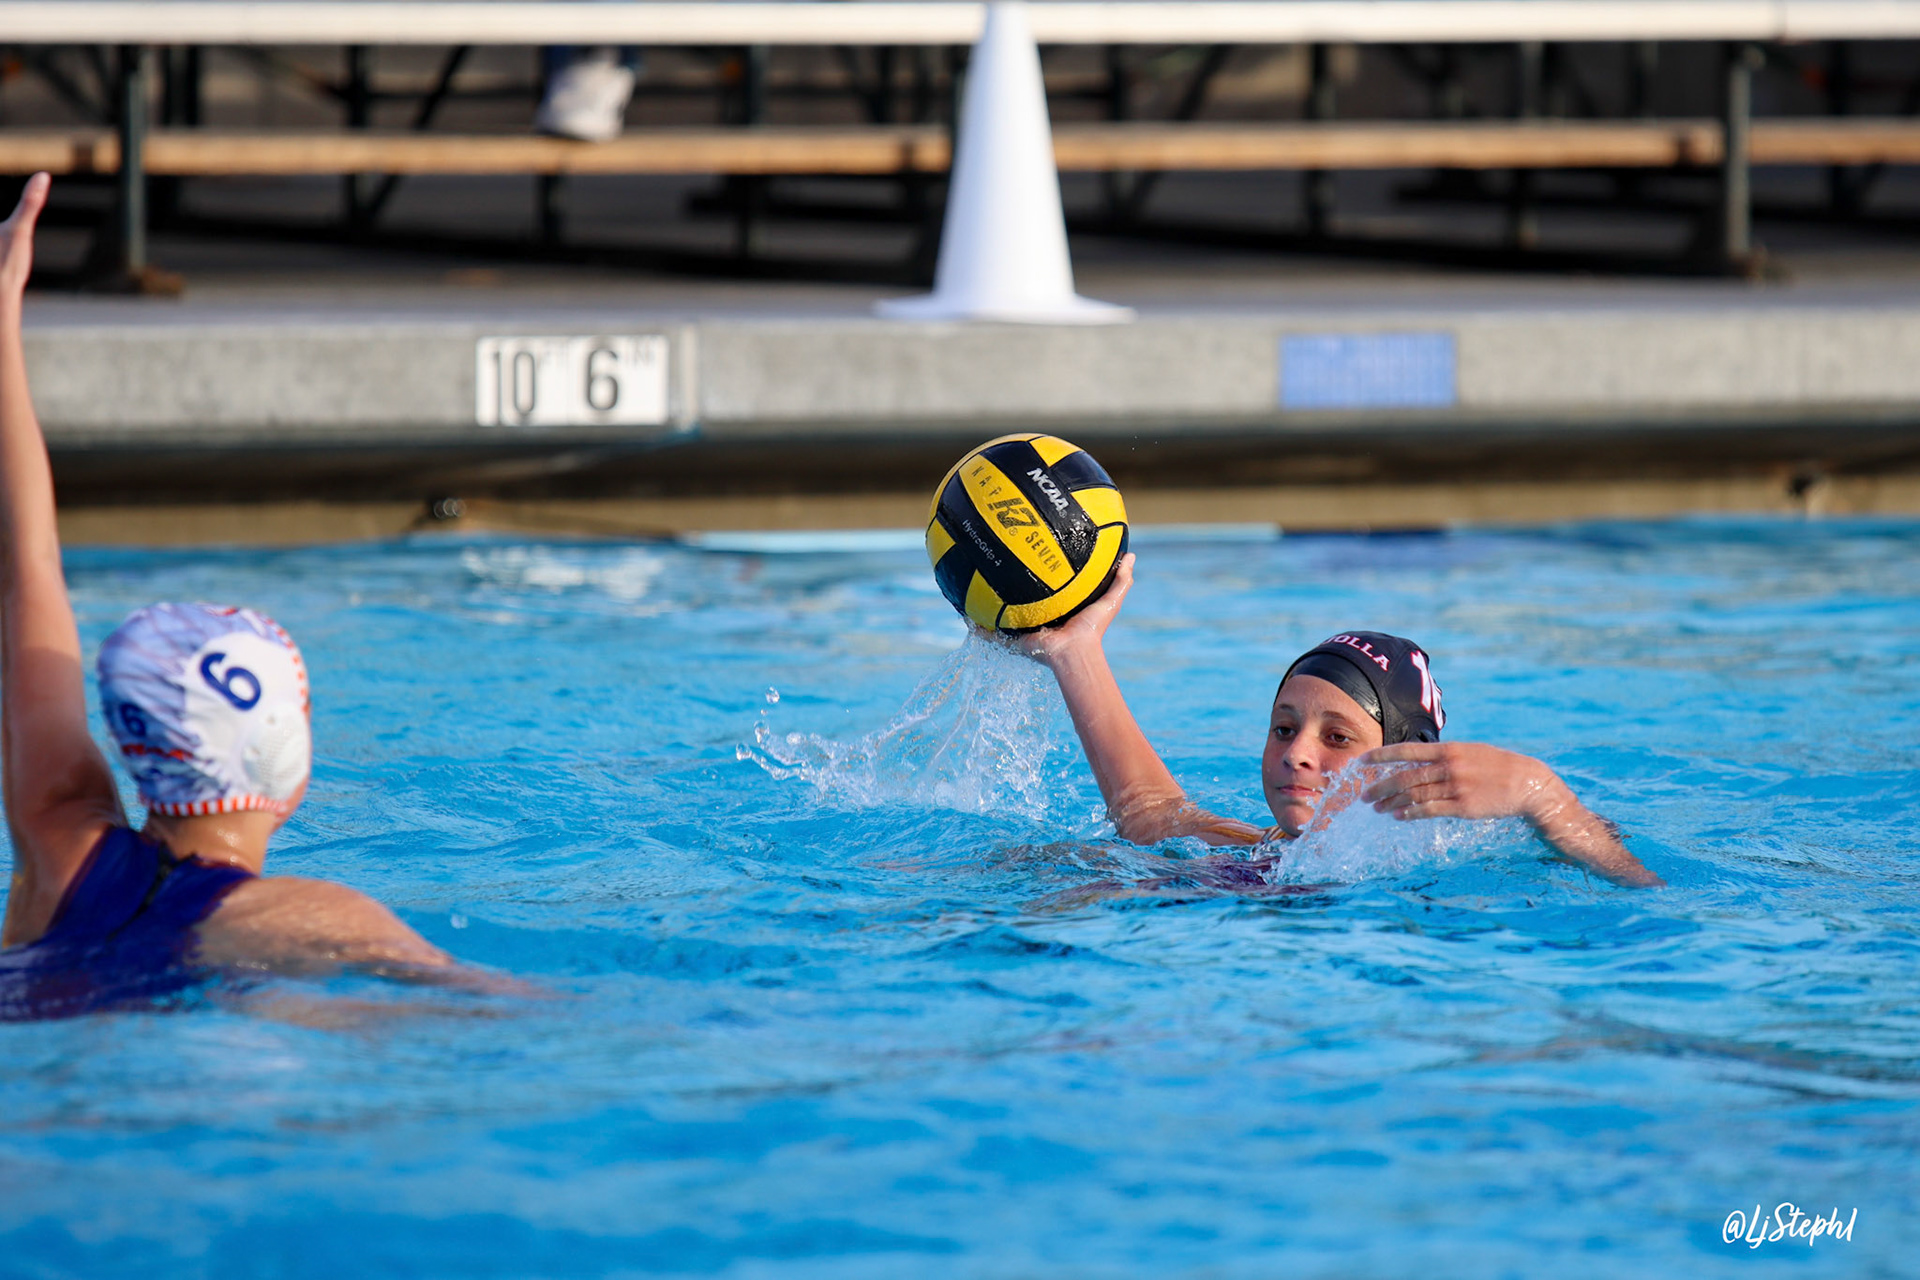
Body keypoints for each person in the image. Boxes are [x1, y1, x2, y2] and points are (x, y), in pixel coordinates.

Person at [0, 174, 463, 1019]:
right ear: (280, 755)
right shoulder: (312, 917)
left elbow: (27, 565)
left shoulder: (56, 839)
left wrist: (1, 317)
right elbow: (504, 1017)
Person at [1017, 553, 1664, 888]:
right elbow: (1153, 814)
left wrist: (1542, 796)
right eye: (1284, 728)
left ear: (1410, 759)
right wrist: (1076, 652)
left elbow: (1641, 886)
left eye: (1336, 738)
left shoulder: (1438, 879)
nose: (1297, 753)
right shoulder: (1264, 857)